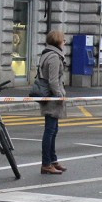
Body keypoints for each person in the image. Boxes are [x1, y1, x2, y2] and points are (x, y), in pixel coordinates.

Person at [38, 30, 67, 175]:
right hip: (52, 98)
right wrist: (60, 95)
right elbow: (53, 81)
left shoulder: (47, 53)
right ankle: (46, 164)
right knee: (50, 131)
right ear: (58, 41)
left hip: (49, 97)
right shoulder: (54, 57)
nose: (65, 42)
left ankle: (53, 160)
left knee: (53, 130)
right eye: (64, 40)